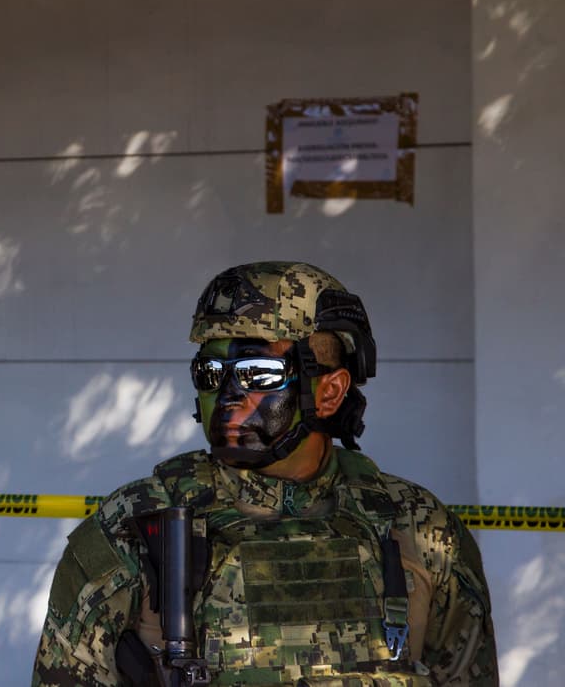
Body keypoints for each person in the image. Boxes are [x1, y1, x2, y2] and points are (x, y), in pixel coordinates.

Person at [32, 262, 497, 686]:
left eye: (258, 372)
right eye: (211, 372)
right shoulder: (137, 526)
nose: (228, 393)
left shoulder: (419, 528)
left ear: (331, 391)